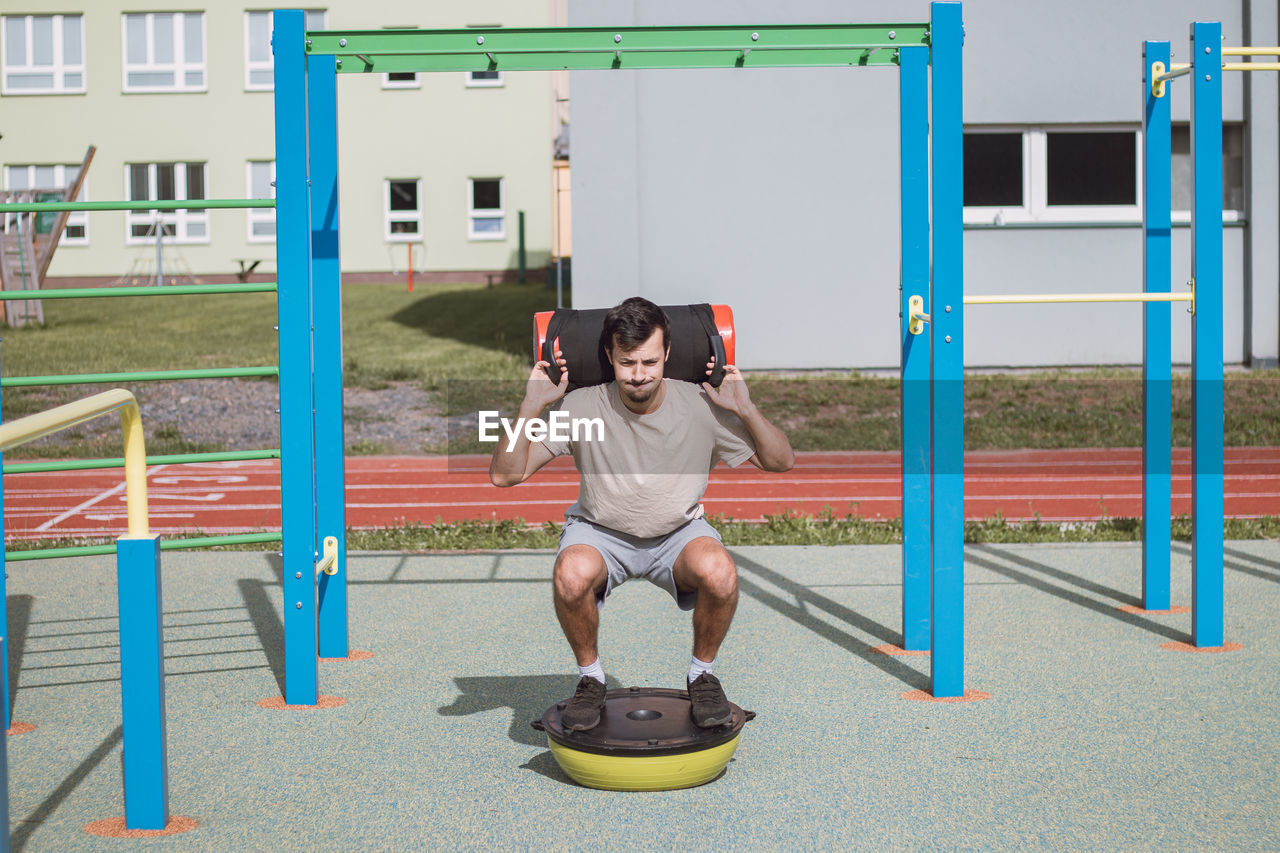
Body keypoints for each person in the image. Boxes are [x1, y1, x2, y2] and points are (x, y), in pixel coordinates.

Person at [489, 297, 794, 731]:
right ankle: (591, 681)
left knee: (721, 572)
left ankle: (701, 675)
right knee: (570, 574)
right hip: (601, 533)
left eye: (649, 361)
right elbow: (505, 476)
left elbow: (781, 461)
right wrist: (529, 407)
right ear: (610, 356)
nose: (638, 374)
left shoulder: (701, 406)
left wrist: (743, 406)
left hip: (678, 534)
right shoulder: (582, 409)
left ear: (667, 354)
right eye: (627, 362)